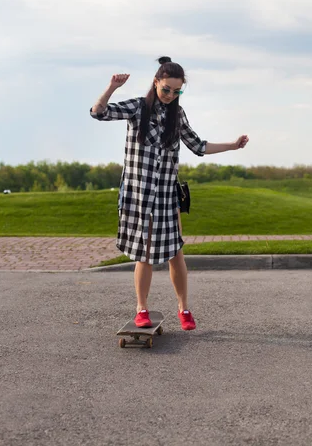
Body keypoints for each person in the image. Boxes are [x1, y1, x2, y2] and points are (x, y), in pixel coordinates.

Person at [90, 57, 249, 331]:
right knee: (145, 252)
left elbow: (198, 146)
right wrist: (111, 87)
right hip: (139, 194)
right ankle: (141, 309)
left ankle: (183, 308)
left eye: (177, 91)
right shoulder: (138, 107)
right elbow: (98, 112)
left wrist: (232, 146)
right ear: (156, 82)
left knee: (176, 252)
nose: (171, 95)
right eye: (166, 90)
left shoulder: (178, 114)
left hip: (166, 195)